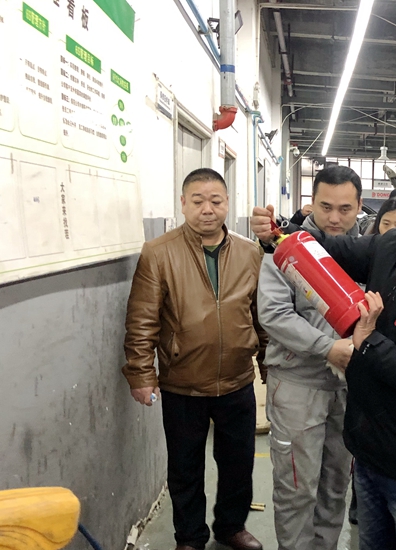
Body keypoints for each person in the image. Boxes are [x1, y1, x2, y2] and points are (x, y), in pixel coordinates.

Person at [252, 154, 396, 550]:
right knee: (309, 498)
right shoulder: (394, 245)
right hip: (367, 441)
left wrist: (367, 343)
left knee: (390, 524)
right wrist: (278, 234)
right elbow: (324, 250)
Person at [122, 168, 267, 550]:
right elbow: (142, 318)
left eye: (216, 201)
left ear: (227, 203)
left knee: (239, 463)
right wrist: (141, 374)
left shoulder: (250, 252)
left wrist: (268, 364)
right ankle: (189, 537)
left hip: (237, 380)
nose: (207, 209)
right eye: (198, 201)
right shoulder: (159, 252)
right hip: (182, 382)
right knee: (185, 467)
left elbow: (261, 315)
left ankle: (231, 527)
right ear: (183, 203)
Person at [257, 165, 362, 550]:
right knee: (297, 490)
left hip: (349, 390)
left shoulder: (368, 254)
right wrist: (327, 347)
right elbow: (274, 314)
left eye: (345, 209)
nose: (334, 218)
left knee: (335, 486)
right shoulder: (285, 251)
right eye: (326, 207)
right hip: (298, 385)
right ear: (311, 203)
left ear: (359, 207)